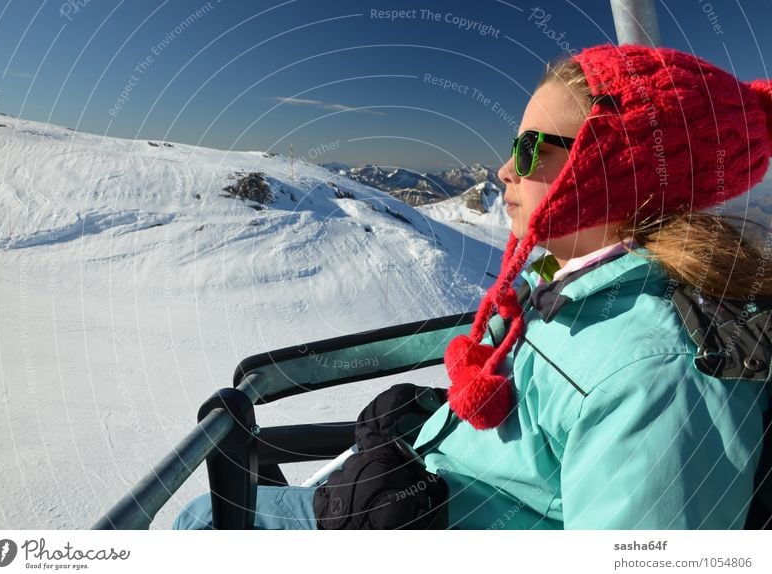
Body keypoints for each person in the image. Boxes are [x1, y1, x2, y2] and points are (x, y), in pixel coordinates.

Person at [174, 43, 772, 530]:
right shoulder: (570, 284)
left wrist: (423, 519)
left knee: (203, 527)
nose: (505, 169)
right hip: (412, 498)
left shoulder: (657, 375)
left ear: (610, 169)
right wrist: (429, 426)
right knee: (205, 519)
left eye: (530, 147)